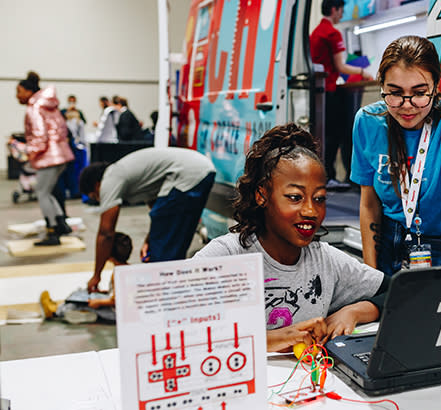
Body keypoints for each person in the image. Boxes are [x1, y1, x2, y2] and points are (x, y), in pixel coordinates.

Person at [193, 123, 387, 352]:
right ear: (262, 195)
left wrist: (353, 311)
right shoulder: (225, 256)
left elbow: (397, 294)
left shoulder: (326, 261)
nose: (310, 211)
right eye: (295, 197)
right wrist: (274, 339)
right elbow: (168, 327)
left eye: (319, 199)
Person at [350, 36, 441, 275]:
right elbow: (369, 203)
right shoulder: (368, 121)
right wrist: (370, 274)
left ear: (436, 85)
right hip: (389, 242)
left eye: (419, 93)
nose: (407, 105)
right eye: (395, 93)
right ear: (382, 87)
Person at [79, 147, 216, 293]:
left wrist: (96, 276)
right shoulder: (131, 175)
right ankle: (171, 295)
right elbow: (157, 210)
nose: (100, 200)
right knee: (170, 248)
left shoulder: (110, 178)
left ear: (96, 185)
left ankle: (164, 300)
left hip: (187, 174)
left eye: (95, 196)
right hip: (199, 171)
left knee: (162, 259)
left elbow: (106, 233)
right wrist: (149, 238)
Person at [310, 0, 374, 190]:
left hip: (321, 91)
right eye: (341, 10)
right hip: (329, 90)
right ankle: (330, 175)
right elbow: (341, 66)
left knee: (326, 135)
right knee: (337, 135)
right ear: (334, 9)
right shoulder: (332, 33)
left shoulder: (316, 32)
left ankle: (327, 174)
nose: (341, 15)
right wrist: (363, 72)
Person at [11, 71, 75, 245]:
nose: (17, 96)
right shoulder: (47, 105)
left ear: (28, 91)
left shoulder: (35, 108)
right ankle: (61, 224)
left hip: (49, 157)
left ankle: (52, 231)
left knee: (42, 193)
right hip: (61, 154)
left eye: (19, 91)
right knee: (48, 191)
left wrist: (23, 149)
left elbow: (40, 137)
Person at [40, 232, 132, 323]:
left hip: (115, 313)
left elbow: (117, 300)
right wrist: (106, 293)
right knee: (85, 293)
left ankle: (55, 312)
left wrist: (98, 302)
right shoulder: (129, 269)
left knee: (80, 303)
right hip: (120, 309)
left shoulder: (118, 274)